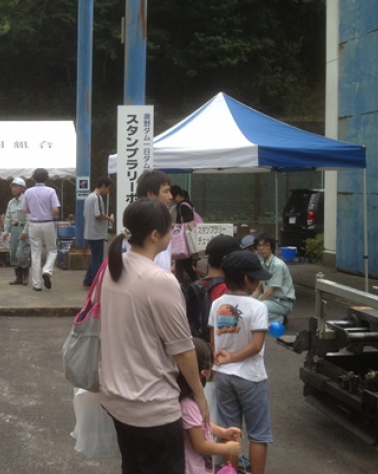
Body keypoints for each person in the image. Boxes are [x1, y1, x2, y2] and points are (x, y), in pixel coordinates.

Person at [100, 198, 208, 474]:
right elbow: (182, 349)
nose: (173, 234)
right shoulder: (159, 279)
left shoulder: (113, 266)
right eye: (170, 229)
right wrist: (199, 394)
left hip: (118, 399)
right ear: (154, 235)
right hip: (152, 407)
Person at [210, 251, 273, 474]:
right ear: (248, 279)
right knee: (258, 434)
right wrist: (233, 357)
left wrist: (221, 361)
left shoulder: (217, 303)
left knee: (229, 431)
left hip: (224, 376)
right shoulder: (258, 307)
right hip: (251, 377)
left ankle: (229, 471)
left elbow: (213, 341)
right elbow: (256, 346)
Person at [180, 338, 242, 474]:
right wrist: (226, 449)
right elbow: (199, 445)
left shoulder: (192, 398)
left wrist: (222, 432)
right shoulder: (188, 406)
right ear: (205, 373)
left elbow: (200, 423)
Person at [21, 168, 60, 291]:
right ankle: (47, 270)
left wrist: (35, 209)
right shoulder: (51, 191)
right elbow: (55, 210)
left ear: (33, 178)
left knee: (35, 253)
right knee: (52, 249)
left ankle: (36, 284)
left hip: (34, 223)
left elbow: (25, 210)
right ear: (47, 178)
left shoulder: (28, 192)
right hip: (48, 223)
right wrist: (55, 216)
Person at [252, 233, 295, 325]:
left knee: (258, 309)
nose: (261, 248)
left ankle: (281, 319)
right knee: (249, 305)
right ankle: (272, 318)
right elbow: (258, 288)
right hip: (270, 300)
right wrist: (250, 301)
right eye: (259, 245)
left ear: (271, 247)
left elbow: (270, 291)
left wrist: (255, 305)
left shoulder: (277, 265)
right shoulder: (262, 263)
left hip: (282, 302)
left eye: (265, 245)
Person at [136, 169, 174, 271]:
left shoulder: (162, 222)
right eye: (166, 191)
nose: (170, 197)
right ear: (151, 195)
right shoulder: (139, 226)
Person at [82, 176, 114, 288]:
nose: (107, 192)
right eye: (108, 189)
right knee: (97, 259)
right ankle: (97, 282)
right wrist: (109, 218)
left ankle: (88, 280)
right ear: (103, 186)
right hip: (96, 233)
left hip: (89, 232)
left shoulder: (89, 197)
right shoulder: (97, 197)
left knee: (94, 257)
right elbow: (98, 214)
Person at [2, 177, 31, 285]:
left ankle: (26, 275)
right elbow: (8, 218)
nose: (13, 189)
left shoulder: (26, 201)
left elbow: (29, 218)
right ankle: (18, 277)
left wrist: (25, 231)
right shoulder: (11, 203)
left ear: (22, 188)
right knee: (13, 254)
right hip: (14, 229)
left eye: (16, 186)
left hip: (23, 228)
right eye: (12, 186)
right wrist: (5, 231)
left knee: (21, 253)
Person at [171, 186, 201, 284]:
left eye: (173, 196)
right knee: (186, 266)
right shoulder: (187, 204)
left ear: (178, 195)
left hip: (184, 241)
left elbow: (190, 223)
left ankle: (181, 287)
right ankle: (197, 285)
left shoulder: (183, 206)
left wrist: (174, 225)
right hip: (187, 240)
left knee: (180, 265)